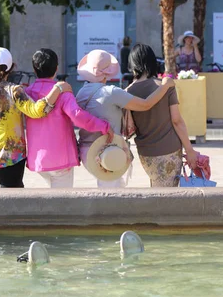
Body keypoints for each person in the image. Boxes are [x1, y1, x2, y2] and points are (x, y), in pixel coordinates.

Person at [0, 47, 72, 188]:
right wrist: (57, 89)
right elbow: (36, 111)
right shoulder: (14, 91)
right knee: (12, 195)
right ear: (11, 67)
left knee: (8, 189)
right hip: (13, 156)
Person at [76, 49, 175, 188]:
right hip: (106, 152)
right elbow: (146, 104)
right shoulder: (110, 92)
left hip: (86, 151)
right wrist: (165, 86)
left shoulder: (82, 92)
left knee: (117, 187)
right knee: (110, 196)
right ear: (108, 72)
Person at [25, 49, 113, 188]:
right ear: (56, 69)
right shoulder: (63, 92)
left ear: (34, 69)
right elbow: (78, 117)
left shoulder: (27, 93)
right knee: (62, 204)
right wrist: (104, 126)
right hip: (60, 159)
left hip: (37, 159)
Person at [126, 43, 197, 187]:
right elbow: (177, 121)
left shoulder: (127, 92)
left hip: (145, 153)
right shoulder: (166, 85)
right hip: (170, 150)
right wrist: (190, 150)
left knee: (157, 188)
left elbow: (129, 127)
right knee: (168, 197)